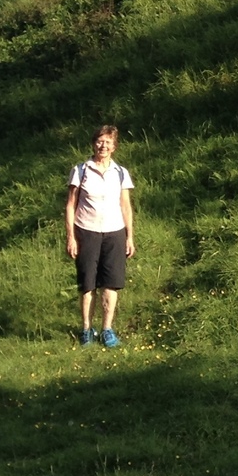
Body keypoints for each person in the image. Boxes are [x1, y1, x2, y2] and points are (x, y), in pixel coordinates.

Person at [65, 125, 136, 348]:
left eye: (108, 142)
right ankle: (86, 329)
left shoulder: (120, 173)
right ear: (93, 144)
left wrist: (129, 236)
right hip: (86, 231)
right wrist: (71, 237)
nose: (103, 146)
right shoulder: (81, 170)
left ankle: (107, 330)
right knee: (87, 284)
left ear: (114, 146)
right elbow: (70, 205)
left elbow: (126, 206)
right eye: (99, 141)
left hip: (114, 232)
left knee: (111, 284)